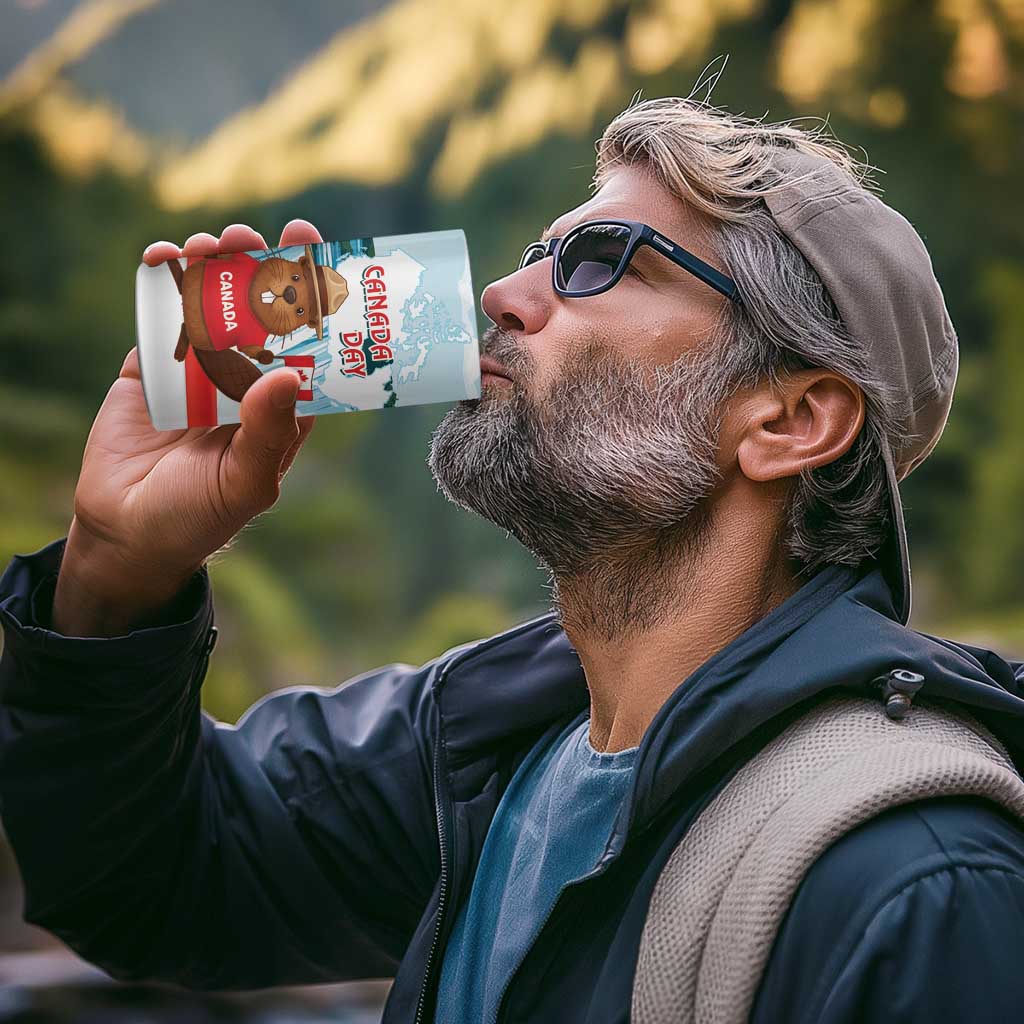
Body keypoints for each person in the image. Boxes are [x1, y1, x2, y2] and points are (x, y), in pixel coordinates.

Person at [2, 95, 1024, 1024]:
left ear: (791, 419)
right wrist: (115, 572)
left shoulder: (918, 884)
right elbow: (149, 880)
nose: (503, 291)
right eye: (540, 252)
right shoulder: (481, 749)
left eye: (599, 261)